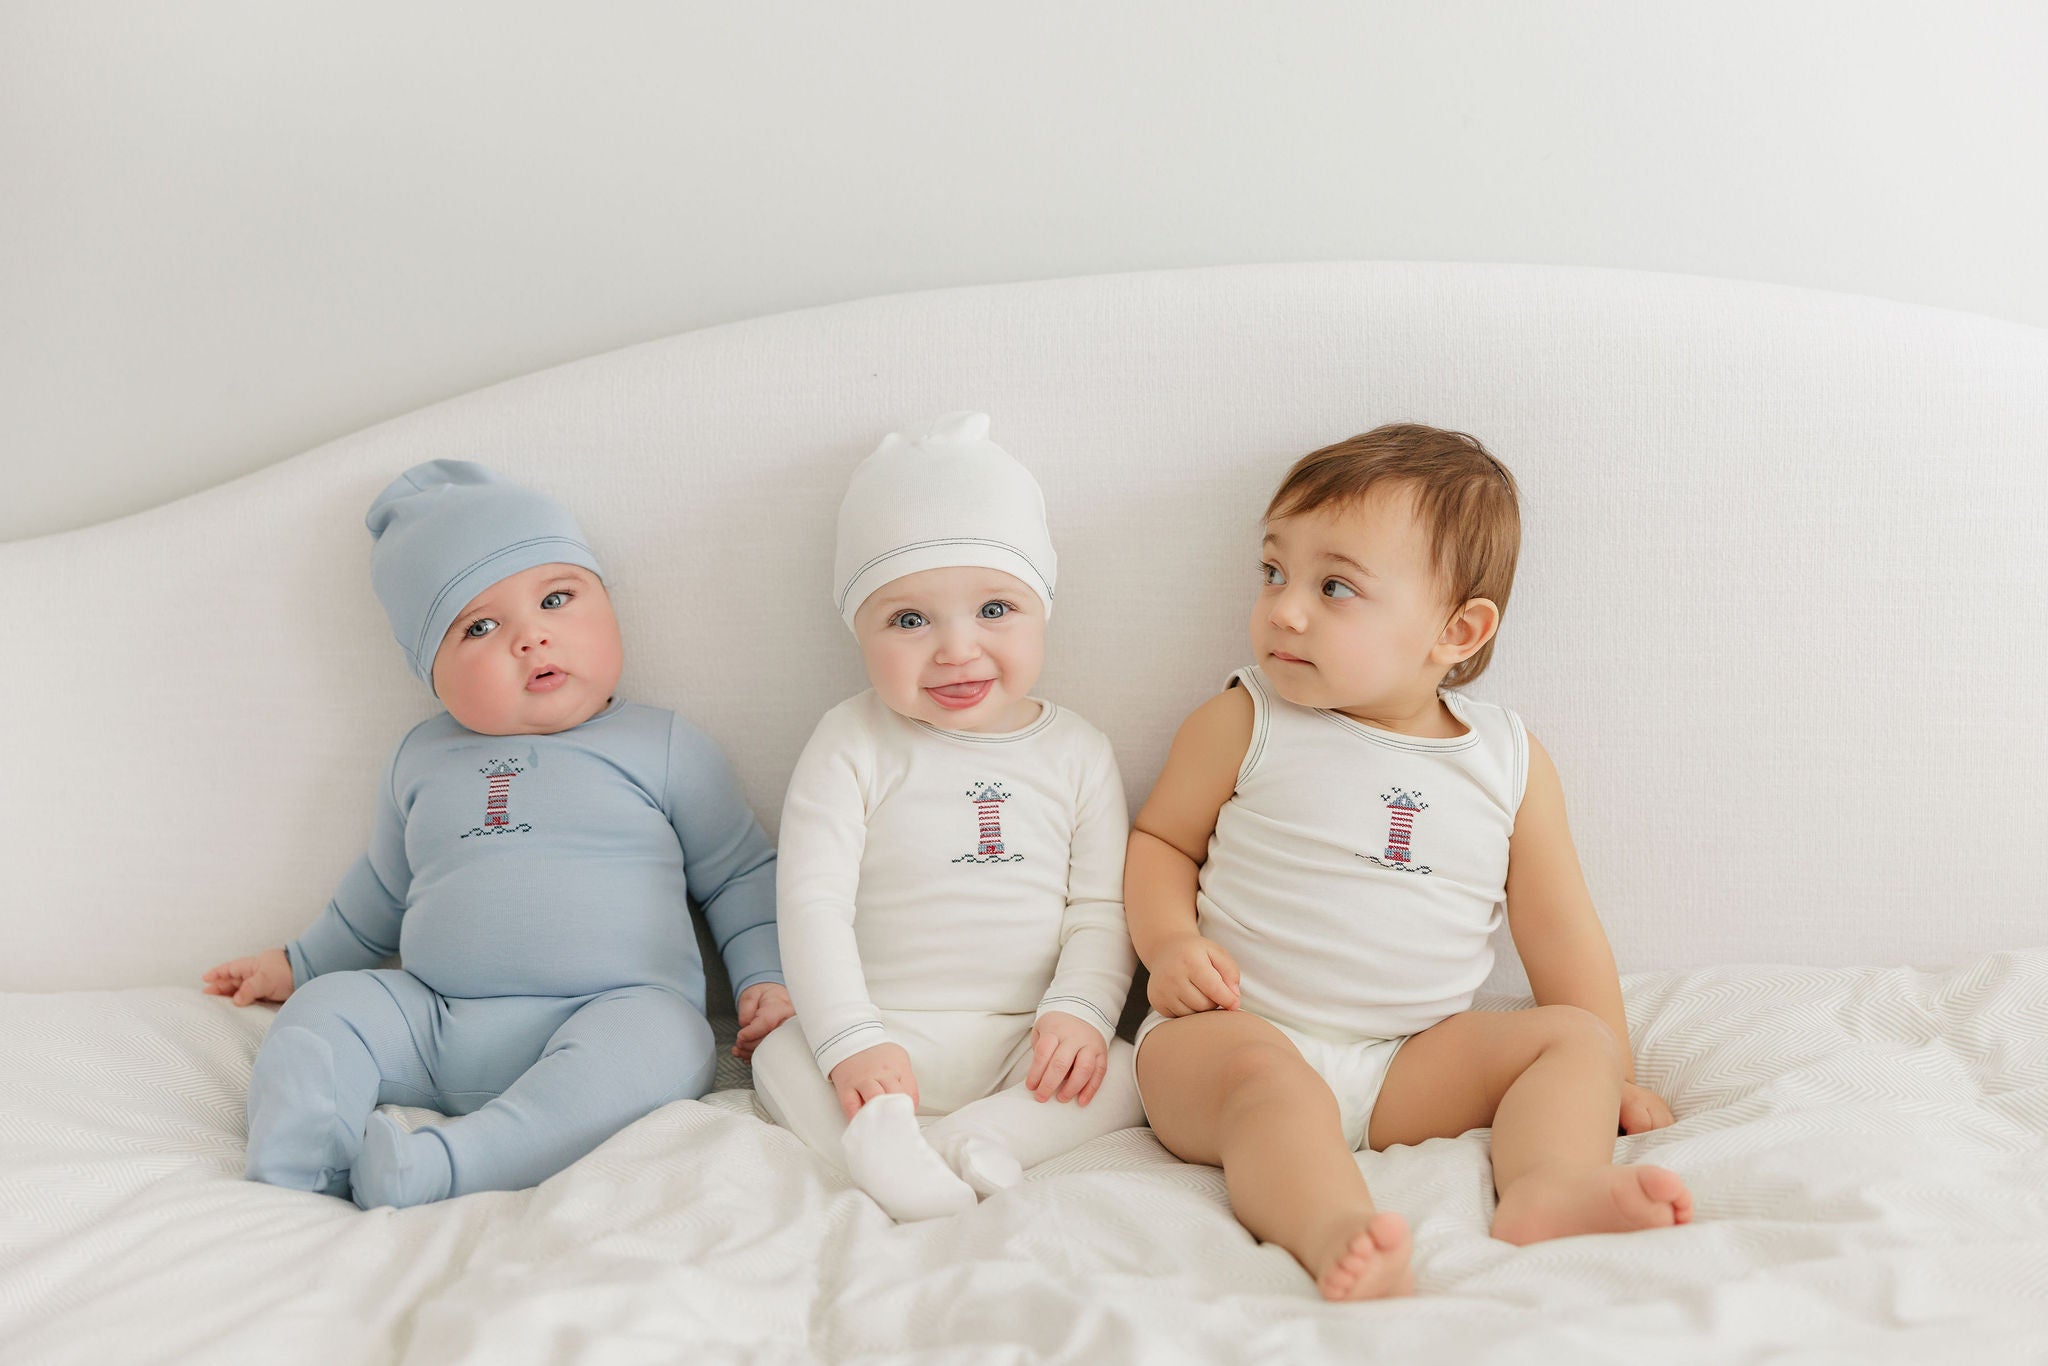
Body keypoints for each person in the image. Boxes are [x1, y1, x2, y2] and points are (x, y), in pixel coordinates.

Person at [1125, 424, 1690, 1300]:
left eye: (1335, 586)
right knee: (1269, 1090)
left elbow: (1561, 930)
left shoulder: (1507, 762)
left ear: (1456, 630)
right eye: (1273, 571)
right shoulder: (1246, 718)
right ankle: (1334, 1230)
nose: (1285, 609)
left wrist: (1612, 1074)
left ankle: (1548, 1189)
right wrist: (1168, 945)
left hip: (1407, 1064)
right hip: (1232, 1035)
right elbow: (1160, 841)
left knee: (1572, 1040)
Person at [202, 460, 790, 1208]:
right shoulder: (420, 758)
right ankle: (295, 1169)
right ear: (432, 671)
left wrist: (765, 978)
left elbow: (738, 875)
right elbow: (381, 887)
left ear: (610, 606)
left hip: (609, 1013)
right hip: (437, 1021)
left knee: (670, 1038)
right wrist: (300, 964)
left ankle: (449, 1164)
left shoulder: (663, 746)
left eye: (556, 599)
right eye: (479, 627)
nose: (531, 637)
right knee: (326, 1013)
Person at [750, 412, 1145, 1220]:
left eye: (995, 609)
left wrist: (1078, 1013)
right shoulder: (851, 741)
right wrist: (853, 1040)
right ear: (858, 629)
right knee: (784, 1053)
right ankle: (884, 1143)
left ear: (1043, 609)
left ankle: (971, 1139)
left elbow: (1102, 908)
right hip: (882, 1031)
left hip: (1023, 1040)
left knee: (1133, 1070)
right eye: (909, 620)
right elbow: (813, 902)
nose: (957, 649)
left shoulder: (1077, 751)